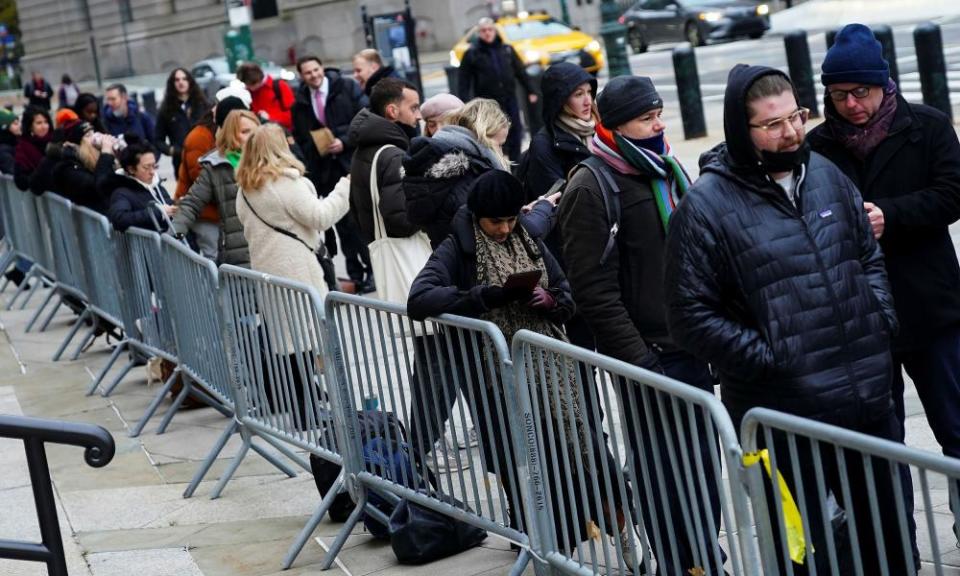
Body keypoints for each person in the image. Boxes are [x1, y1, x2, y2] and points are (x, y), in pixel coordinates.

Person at [665, 64, 905, 575]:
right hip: (783, 420)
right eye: (773, 125)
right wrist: (775, 357)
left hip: (867, 403)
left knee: (889, 545)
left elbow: (867, 258)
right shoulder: (706, 206)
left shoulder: (826, 176)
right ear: (741, 130)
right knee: (806, 556)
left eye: (795, 116)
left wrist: (877, 318)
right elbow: (689, 316)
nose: (792, 131)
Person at [407, 170, 626, 554]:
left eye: (511, 219)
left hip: (556, 373)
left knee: (587, 453)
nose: (505, 229)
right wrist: (482, 297)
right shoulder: (458, 247)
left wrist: (552, 301)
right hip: (498, 380)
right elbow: (420, 299)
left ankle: (615, 531)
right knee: (524, 465)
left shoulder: (530, 238)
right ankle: (542, 542)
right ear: (477, 216)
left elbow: (566, 292)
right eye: (496, 221)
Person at [558, 74, 720, 574]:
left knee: (702, 466)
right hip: (648, 356)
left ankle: (705, 557)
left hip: (691, 343)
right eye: (647, 118)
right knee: (663, 468)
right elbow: (593, 292)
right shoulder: (592, 184)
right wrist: (641, 361)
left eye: (658, 114)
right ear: (616, 125)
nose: (659, 124)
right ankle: (680, 562)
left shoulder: (666, 167)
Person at [810, 22, 960, 469]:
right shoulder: (817, 146)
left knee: (955, 425)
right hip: (860, 316)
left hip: (932, 305)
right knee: (880, 443)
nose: (852, 104)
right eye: (839, 96)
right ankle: (897, 539)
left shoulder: (927, 126)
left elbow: (952, 194)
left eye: (861, 92)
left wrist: (889, 215)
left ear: (882, 84)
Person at [236, 123, 349, 295]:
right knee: (309, 322)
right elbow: (321, 217)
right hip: (297, 273)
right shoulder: (283, 182)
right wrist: (345, 188)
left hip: (266, 274)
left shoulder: (244, 190)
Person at [291, 55, 368, 291]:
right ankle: (355, 274)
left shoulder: (346, 87)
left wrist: (343, 141)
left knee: (358, 222)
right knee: (340, 226)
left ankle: (371, 269)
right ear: (302, 76)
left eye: (316, 70)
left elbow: (364, 118)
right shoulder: (301, 102)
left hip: (350, 164)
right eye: (308, 73)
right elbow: (302, 139)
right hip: (324, 172)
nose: (313, 75)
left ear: (322, 68)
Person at [404, 98, 511, 248]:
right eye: (500, 145)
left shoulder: (447, 168)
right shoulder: (472, 174)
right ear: (483, 136)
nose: (501, 153)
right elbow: (492, 233)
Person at [348, 77, 423, 293]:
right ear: (392, 111)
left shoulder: (365, 148)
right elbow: (400, 220)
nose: (418, 116)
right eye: (413, 108)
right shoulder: (393, 155)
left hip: (382, 250)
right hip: (404, 254)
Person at [172, 108, 259, 267]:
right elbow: (192, 202)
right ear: (232, 135)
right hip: (238, 254)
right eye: (245, 132)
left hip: (270, 248)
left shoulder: (269, 159)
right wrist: (174, 232)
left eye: (256, 131)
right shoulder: (216, 167)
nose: (253, 137)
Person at [456, 17, 537, 162]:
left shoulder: (507, 49)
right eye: (483, 31)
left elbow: (520, 72)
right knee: (490, 133)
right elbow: (464, 81)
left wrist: (531, 90)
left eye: (490, 30)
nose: (487, 33)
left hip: (509, 98)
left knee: (515, 130)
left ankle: (516, 162)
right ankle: (495, 162)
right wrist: (464, 104)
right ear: (479, 33)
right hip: (488, 102)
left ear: (495, 31)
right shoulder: (472, 53)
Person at [523, 62, 595, 202]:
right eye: (579, 94)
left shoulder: (599, 130)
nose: (588, 101)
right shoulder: (544, 144)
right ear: (560, 100)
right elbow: (554, 201)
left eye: (589, 92)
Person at [106, 140, 176, 232]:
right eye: (147, 167)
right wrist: (159, 212)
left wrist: (178, 205)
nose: (152, 172)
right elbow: (120, 219)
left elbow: (167, 204)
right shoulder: (121, 193)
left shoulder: (156, 185)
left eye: (154, 166)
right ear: (131, 169)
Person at [51, 121, 118, 214]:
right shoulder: (68, 169)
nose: (94, 138)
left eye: (93, 133)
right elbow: (97, 187)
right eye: (88, 135)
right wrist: (106, 153)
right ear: (76, 145)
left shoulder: (93, 161)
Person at [154, 68, 210, 176]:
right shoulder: (166, 109)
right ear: (172, 83)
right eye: (177, 80)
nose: (181, 82)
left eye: (184, 79)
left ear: (190, 81)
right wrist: (172, 151)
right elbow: (158, 139)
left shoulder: (202, 104)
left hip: (205, 158)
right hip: (181, 162)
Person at [236, 61, 295, 132]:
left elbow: (293, 115)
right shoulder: (248, 92)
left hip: (282, 132)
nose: (248, 86)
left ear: (257, 80)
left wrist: (270, 118)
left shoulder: (279, 86)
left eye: (250, 84)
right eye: (245, 83)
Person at [13, 106, 52, 191]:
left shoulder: (55, 142)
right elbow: (21, 181)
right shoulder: (23, 147)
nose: (44, 126)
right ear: (30, 126)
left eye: (46, 122)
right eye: (39, 123)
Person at [0, 109, 20, 175]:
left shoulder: (18, 142)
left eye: (18, 123)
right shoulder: (3, 151)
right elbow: (13, 171)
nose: (19, 126)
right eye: (15, 124)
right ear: (4, 127)